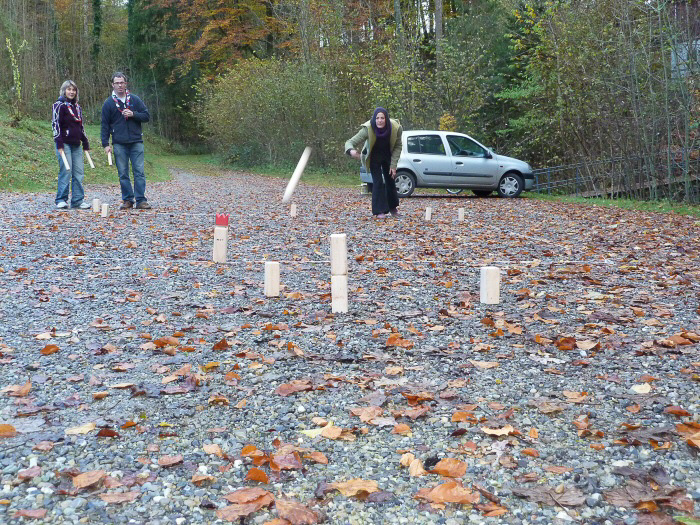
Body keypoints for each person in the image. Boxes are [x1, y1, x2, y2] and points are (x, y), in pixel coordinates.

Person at [101, 72, 151, 210]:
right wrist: (105, 144)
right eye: (117, 83)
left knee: (139, 172)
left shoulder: (135, 99)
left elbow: (146, 116)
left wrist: (133, 114)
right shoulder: (108, 103)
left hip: (136, 141)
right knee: (123, 173)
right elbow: (104, 125)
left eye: (122, 82)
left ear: (125, 84)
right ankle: (128, 200)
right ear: (113, 85)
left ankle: (141, 200)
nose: (120, 85)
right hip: (119, 143)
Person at [345, 107, 403, 218]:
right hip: (374, 156)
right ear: (374, 119)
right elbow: (350, 142)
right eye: (377, 118)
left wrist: (393, 165)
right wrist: (351, 151)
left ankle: (393, 208)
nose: (379, 121)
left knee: (390, 179)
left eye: (382, 118)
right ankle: (379, 211)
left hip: (388, 155)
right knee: (378, 182)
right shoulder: (368, 128)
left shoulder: (396, 128)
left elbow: (398, 146)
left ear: (386, 119)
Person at [52, 80, 91, 209]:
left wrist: (85, 142)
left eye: (73, 90)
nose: (71, 92)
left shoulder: (77, 107)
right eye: (69, 89)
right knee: (66, 171)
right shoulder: (58, 105)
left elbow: (81, 126)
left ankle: (78, 201)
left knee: (79, 173)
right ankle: (61, 199)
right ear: (64, 91)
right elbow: (55, 125)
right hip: (64, 144)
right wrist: (59, 143)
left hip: (76, 145)